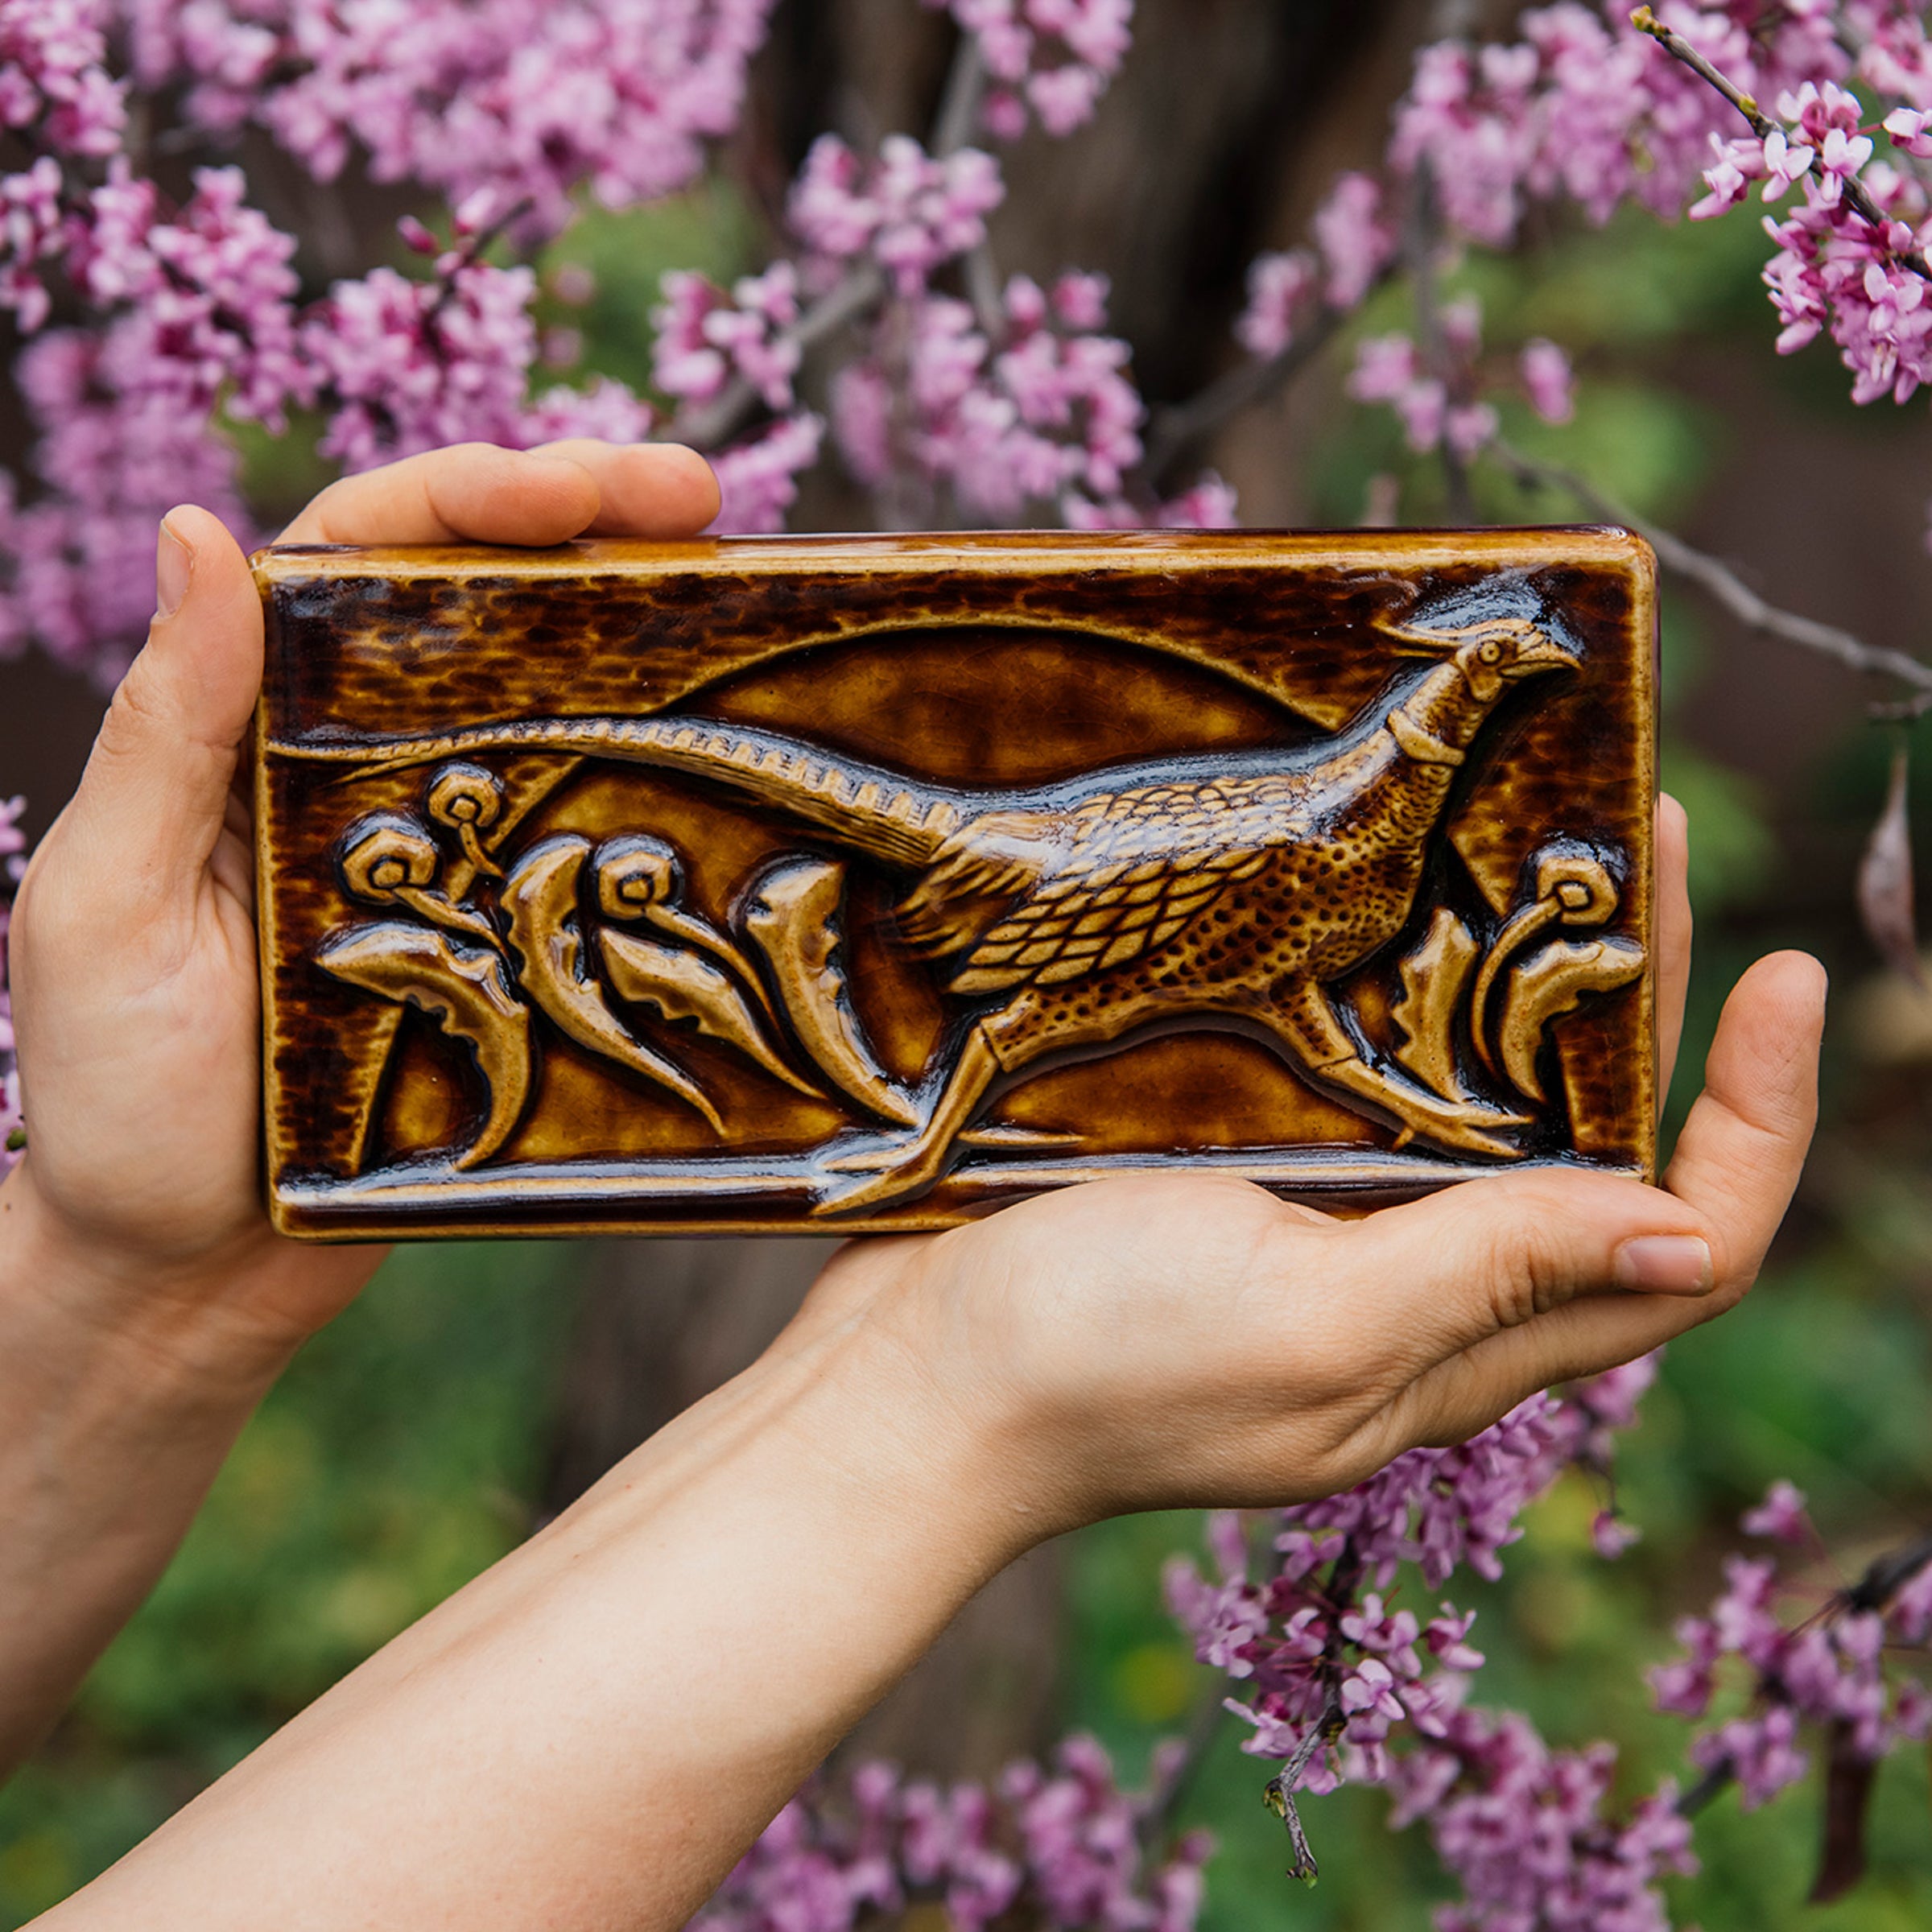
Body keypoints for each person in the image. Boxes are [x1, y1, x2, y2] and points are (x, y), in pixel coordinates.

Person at [0, 441, 1823, 1930]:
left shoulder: (1359, 835)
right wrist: (944, 1410)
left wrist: (129, 1283)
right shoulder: (1323, 826)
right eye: (1503, 667)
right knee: (939, 962)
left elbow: (1283, 1001)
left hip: (1159, 891)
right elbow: (1044, 999)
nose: (1525, 677)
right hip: (1065, 903)